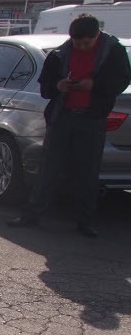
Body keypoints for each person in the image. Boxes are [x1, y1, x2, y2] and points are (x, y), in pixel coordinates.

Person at [8, 14, 130, 238]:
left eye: (87, 43)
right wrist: (59, 85)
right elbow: (45, 87)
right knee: (49, 168)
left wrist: (94, 85)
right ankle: (31, 214)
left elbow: (122, 80)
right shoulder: (61, 53)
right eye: (78, 43)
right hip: (62, 115)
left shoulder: (113, 51)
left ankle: (86, 222)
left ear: (97, 36)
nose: (82, 47)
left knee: (88, 171)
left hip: (92, 118)